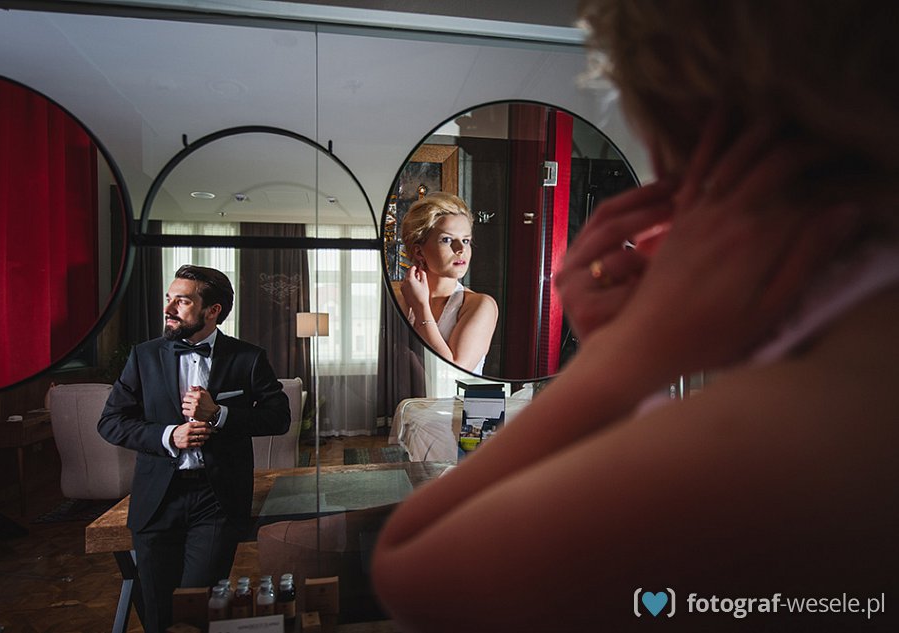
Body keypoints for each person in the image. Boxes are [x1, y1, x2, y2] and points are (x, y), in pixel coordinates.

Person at [371, 2, 899, 631]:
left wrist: (630, 351)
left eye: (662, 144)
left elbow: (416, 570)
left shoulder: (814, 414)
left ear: (706, 132)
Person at [98, 265, 290, 633]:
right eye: (168, 299)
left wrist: (219, 415)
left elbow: (278, 418)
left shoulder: (248, 357)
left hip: (216, 498)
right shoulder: (144, 356)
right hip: (156, 500)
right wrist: (169, 436)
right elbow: (110, 422)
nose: (168, 308)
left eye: (182, 301)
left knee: (198, 607)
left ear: (212, 311)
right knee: (158, 613)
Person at [393, 192, 498, 373]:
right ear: (419, 252)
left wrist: (420, 307)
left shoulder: (480, 305)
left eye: (466, 240)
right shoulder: (400, 302)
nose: (461, 249)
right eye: (447, 239)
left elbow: (453, 373)